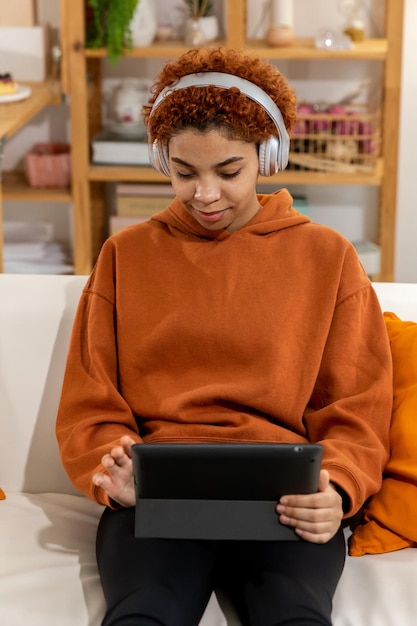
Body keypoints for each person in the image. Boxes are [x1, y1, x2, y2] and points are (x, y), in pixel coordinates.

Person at [56, 47, 393, 626]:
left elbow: (357, 406)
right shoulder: (125, 256)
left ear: (268, 155)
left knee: (296, 617)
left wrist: (336, 489)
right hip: (156, 497)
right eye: (184, 173)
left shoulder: (327, 257)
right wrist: (114, 469)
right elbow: (91, 400)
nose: (204, 194)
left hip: (285, 501)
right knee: (144, 615)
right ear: (164, 160)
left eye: (228, 171)